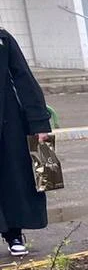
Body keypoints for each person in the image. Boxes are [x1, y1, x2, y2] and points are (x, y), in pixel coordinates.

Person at [0, 29, 53, 257]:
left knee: (12, 179)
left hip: (7, 121)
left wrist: (40, 124)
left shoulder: (2, 39)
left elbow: (24, 79)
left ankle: (13, 233)